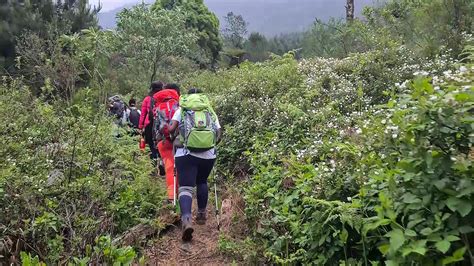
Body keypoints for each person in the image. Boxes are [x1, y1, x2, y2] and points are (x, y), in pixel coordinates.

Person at [169, 88, 222, 242]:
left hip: (186, 153)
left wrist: (174, 136)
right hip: (208, 154)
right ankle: (201, 214)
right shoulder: (210, 111)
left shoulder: (182, 110)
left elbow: (171, 128)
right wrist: (209, 145)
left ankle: (186, 219)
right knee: (202, 181)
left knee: (185, 187)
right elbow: (219, 133)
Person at [153, 84, 180, 202]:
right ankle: (180, 193)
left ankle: (171, 196)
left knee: (169, 167)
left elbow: (154, 125)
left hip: (163, 140)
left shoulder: (158, 106)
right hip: (178, 139)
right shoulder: (179, 105)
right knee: (178, 165)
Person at [139, 81, 163, 169]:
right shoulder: (163, 98)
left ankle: (153, 165)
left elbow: (143, 113)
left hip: (149, 124)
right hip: (161, 125)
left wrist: (140, 126)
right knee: (160, 144)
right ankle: (161, 162)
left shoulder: (147, 99)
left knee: (150, 144)